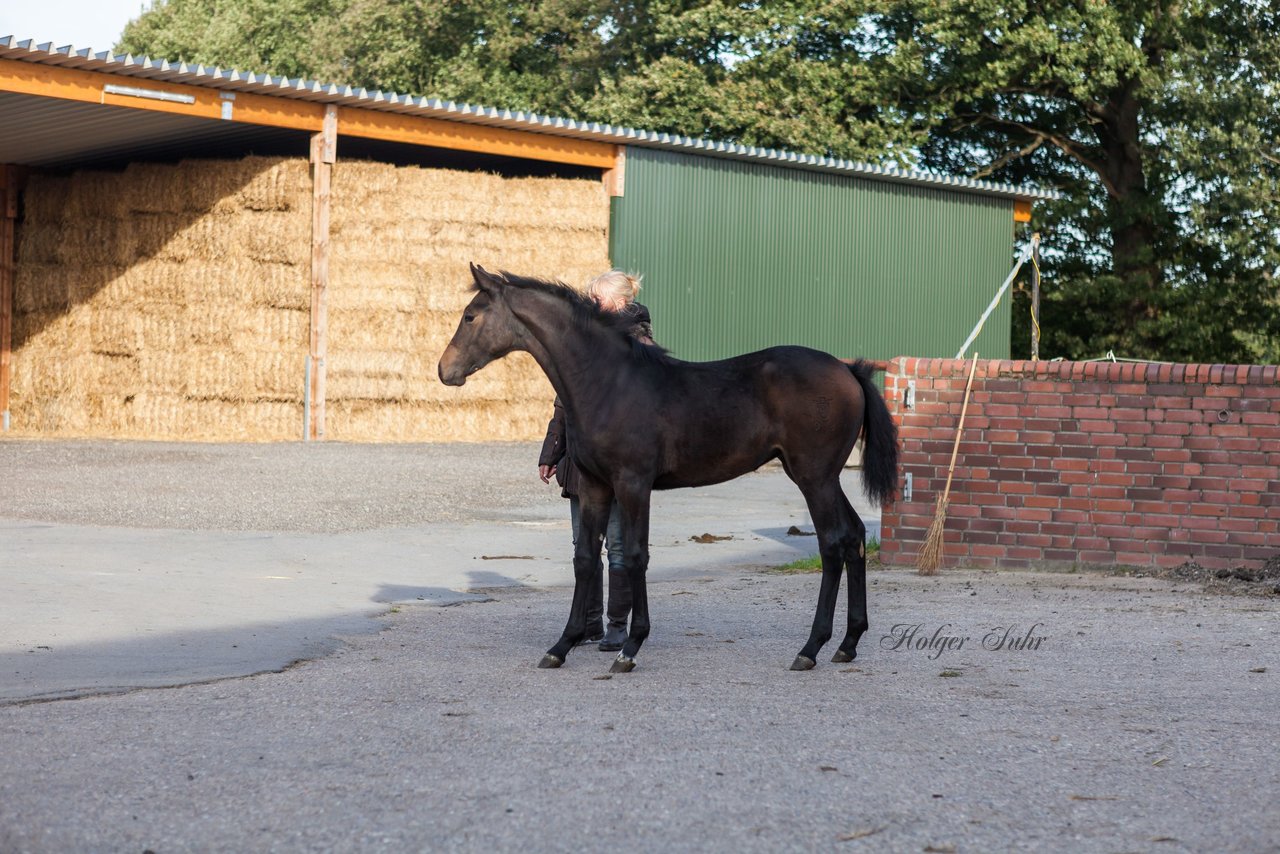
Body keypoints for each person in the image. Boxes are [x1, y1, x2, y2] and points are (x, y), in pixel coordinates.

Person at [537, 270, 654, 651]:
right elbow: (563, 402)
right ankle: (587, 621)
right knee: (582, 543)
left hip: (617, 462)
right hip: (580, 461)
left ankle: (617, 624)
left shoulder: (639, 340)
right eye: (589, 297)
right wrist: (551, 453)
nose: (591, 305)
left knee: (618, 543)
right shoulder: (584, 341)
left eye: (597, 299)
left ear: (620, 303)